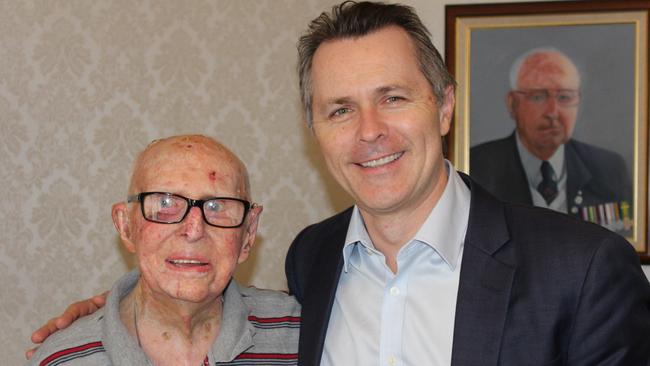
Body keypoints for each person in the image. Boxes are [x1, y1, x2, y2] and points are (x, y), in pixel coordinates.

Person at [29, 2, 650, 365]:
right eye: (340, 109)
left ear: (444, 107)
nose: (369, 132)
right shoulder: (312, 261)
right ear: (315, 131)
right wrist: (116, 308)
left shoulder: (585, 270)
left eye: (394, 98)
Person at [27, 135, 300, 365]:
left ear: (248, 233)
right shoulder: (62, 360)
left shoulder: (304, 336)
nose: (193, 231)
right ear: (125, 226)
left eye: (217, 207)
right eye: (166, 203)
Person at [470, 48, 633, 232]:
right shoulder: (476, 167)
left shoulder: (608, 169)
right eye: (538, 97)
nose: (553, 112)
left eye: (564, 97)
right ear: (512, 104)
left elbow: (621, 239)